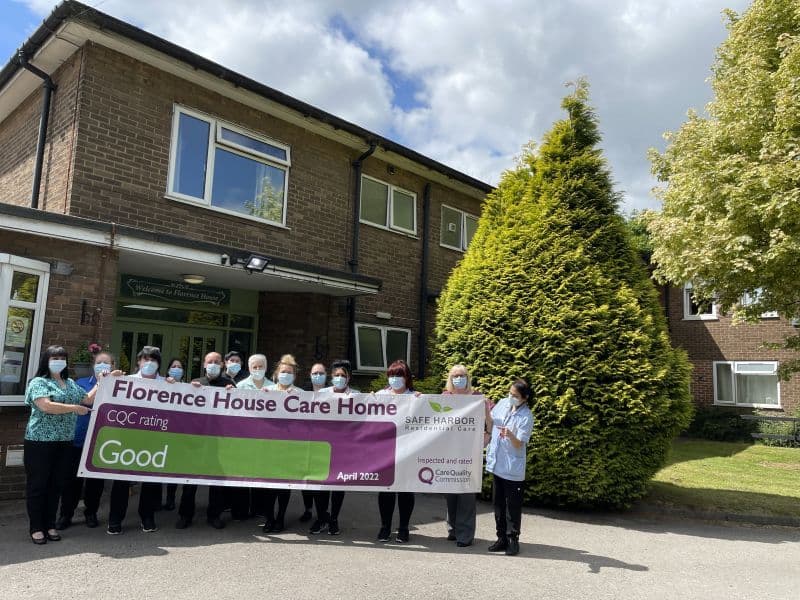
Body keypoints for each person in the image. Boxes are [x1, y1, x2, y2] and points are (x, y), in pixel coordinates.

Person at [23, 346, 97, 544]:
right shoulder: (38, 382)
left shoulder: (70, 383)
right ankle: (36, 527)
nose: (59, 360)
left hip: (64, 442)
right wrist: (73, 408)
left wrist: (105, 380)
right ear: (46, 360)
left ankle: (50, 524)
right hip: (39, 442)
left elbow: (88, 399)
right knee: (38, 486)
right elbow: (45, 405)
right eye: (54, 357)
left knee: (56, 485)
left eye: (62, 357)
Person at [56, 350, 118, 530]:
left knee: (95, 483)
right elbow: (85, 401)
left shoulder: (121, 386)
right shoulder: (81, 383)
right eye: (99, 362)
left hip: (101, 442)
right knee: (71, 482)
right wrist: (101, 382)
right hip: (78, 440)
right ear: (93, 366)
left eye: (107, 363)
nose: (103, 366)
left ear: (113, 366)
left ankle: (91, 512)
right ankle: (66, 514)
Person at [106, 346, 165, 535]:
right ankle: (115, 519)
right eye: (145, 359)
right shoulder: (125, 382)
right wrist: (107, 380)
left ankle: (147, 517)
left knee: (151, 481)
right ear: (138, 362)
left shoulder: (167, 384)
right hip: (128, 439)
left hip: (155, 438)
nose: (149, 363)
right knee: (122, 481)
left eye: (154, 360)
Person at [178, 352, 237, 529]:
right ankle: (185, 516)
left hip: (218, 440)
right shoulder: (196, 382)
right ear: (204, 364)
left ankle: (214, 515)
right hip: (197, 439)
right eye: (210, 362)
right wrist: (189, 390)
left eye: (216, 362)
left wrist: (234, 394)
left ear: (222, 365)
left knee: (216, 481)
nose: (213, 364)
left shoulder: (229, 384)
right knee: (190, 481)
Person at [441, 364, 490, 548]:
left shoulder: (477, 397)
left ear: (467, 377)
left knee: (467, 494)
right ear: (450, 378)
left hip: (469, 453)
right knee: (451, 493)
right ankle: (453, 529)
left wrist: (487, 435)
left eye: (462, 375)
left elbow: (489, 418)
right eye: (455, 375)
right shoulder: (446, 396)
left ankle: (465, 534)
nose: (458, 378)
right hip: (449, 452)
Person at [485, 379, 534, 556]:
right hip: (498, 463)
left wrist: (511, 435)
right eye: (510, 393)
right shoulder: (503, 403)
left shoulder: (526, 416)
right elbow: (491, 423)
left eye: (515, 395)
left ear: (525, 398)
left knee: (512, 506)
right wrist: (485, 410)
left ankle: (513, 540)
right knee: (498, 504)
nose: (510, 397)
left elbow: (519, 444)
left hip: (513, 469)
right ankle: (501, 538)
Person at [310, 359, 358, 536]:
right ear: (331, 377)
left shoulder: (356, 395)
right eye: (336, 375)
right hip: (322, 445)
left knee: (338, 484)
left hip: (343, 447)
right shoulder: (322, 394)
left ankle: (334, 519)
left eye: (342, 376)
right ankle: (322, 517)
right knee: (319, 484)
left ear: (348, 378)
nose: (339, 378)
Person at [375, 359, 418, 543]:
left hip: (408, 450)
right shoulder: (380, 395)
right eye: (392, 375)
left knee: (406, 490)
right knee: (386, 490)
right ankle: (385, 527)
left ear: (407, 377)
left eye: (399, 375)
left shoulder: (416, 397)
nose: (395, 379)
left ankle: (403, 528)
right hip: (386, 450)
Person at [262, 354, 301, 533]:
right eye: (283, 372)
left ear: (294, 375)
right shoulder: (267, 391)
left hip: (289, 445)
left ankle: (280, 518)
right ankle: (269, 518)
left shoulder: (300, 394)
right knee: (269, 486)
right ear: (277, 374)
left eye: (289, 372)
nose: (286, 375)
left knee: (284, 485)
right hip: (269, 445)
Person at [299, 362, 328, 522]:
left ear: (326, 375)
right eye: (315, 373)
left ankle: (322, 513)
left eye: (321, 373)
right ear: (310, 375)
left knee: (322, 479)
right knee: (306, 478)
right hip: (307, 440)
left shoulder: (332, 393)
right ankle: (308, 509)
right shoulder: (303, 393)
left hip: (325, 442)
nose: (318, 376)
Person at [163, 357, 186, 512]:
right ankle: (159, 500)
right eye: (173, 366)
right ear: (168, 369)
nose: (176, 369)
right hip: (164, 432)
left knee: (175, 469)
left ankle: (172, 499)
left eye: (179, 366)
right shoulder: (161, 384)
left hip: (180, 434)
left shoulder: (188, 387)